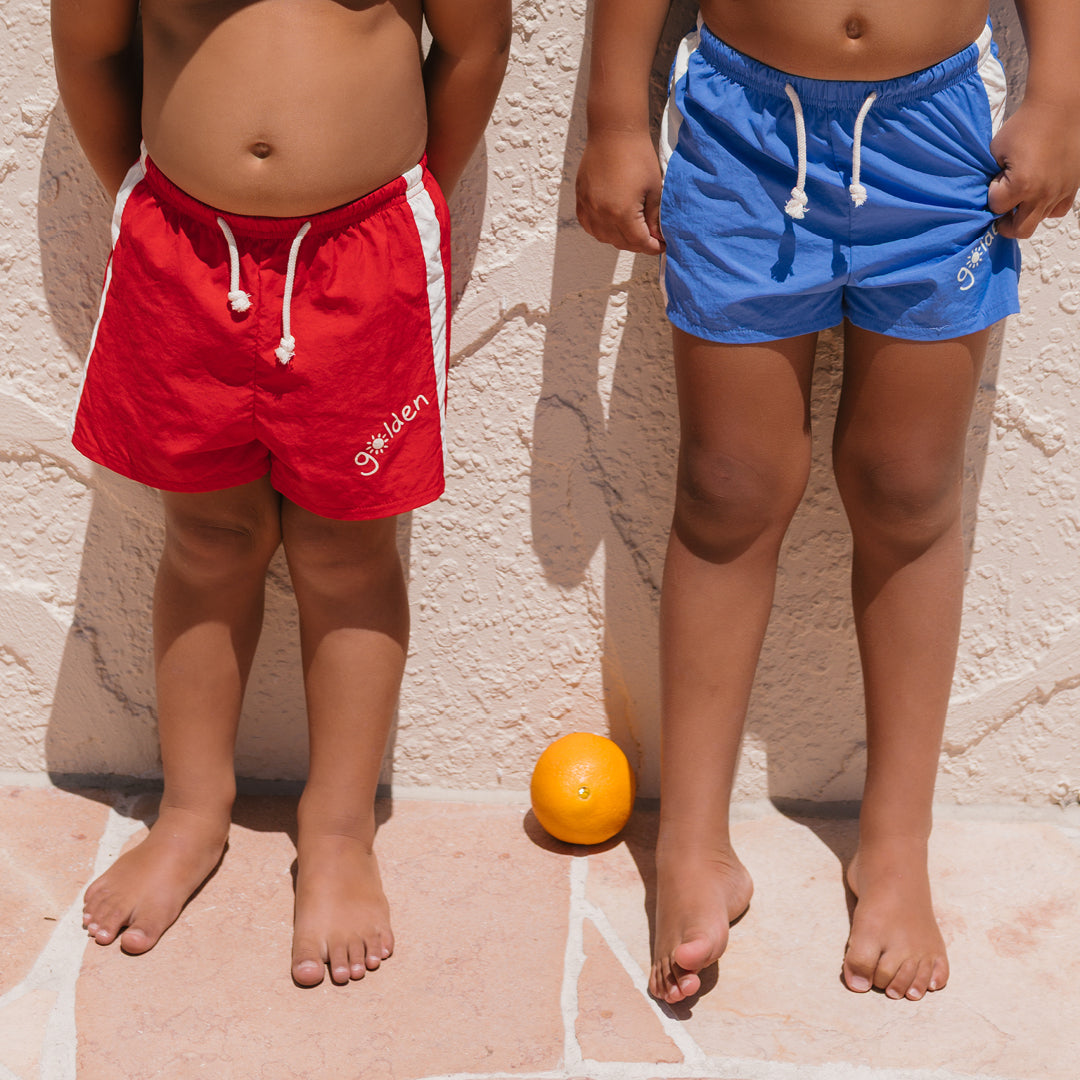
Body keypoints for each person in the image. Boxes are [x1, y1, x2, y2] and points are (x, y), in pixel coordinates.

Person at [577, 0, 1080, 1005]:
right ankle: (693, 843)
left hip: (938, 140)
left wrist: (1059, 92)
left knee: (908, 488)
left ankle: (895, 845)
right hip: (739, 132)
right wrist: (613, 120)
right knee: (727, 487)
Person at [52, 0, 510, 986]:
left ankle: (340, 832)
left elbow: (475, 44)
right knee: (207, 540)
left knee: (349, 555)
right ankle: (191, 811)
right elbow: (90, 49)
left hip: (367, 254)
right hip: (181, 250)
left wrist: (411, 202)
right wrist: (151, 203)